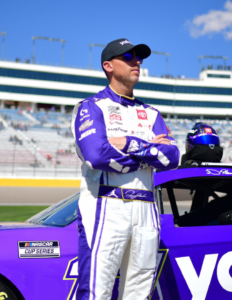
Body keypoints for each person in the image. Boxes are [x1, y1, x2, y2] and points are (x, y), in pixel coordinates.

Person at [71, 38, 180, 300]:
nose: (137, 62)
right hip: (106, 203)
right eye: (128, 57)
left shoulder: (151, 113)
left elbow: (172, 157)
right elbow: (97, 156)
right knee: (97, 290)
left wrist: (128, 143)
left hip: (146, 208)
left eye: (138, 57)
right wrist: (148, 152)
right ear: (108, 66)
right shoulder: (91, 107)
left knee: (140, 291)